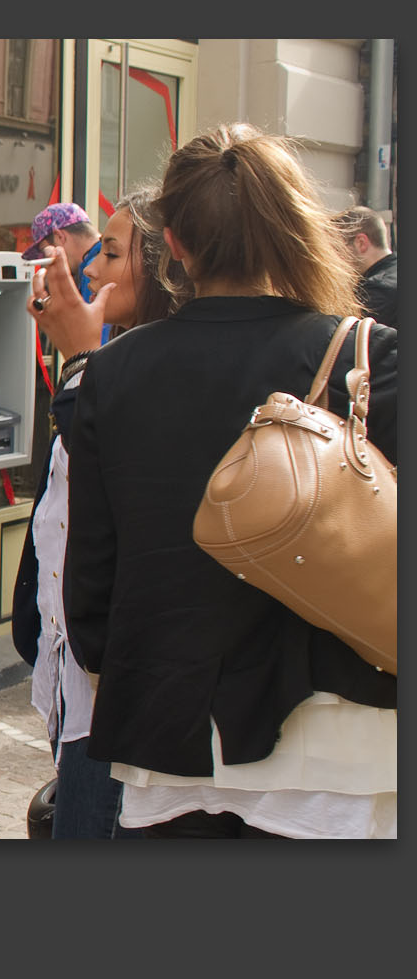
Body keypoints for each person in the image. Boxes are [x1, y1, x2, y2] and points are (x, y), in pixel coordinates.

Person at [65, 124, 397, 839]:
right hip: (338, 728)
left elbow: (92, 569)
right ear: (293, 227)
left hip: (168, 729)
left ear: (174, 243)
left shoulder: (112, 371)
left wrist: (113, 671)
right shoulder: (362, 357)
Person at [14, 186, 189, 839]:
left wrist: (84, 362)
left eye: (110, 253)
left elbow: (129, 507)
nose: (90, 269)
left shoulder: (157, 379)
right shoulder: (119, 364)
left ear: (165, 267)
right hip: (79, 684)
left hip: (116, 691)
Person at [333, 205, 396, 325]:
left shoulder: (376, 290)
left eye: (337, 249)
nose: (335, 259)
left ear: (361, 242)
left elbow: (347, 337)